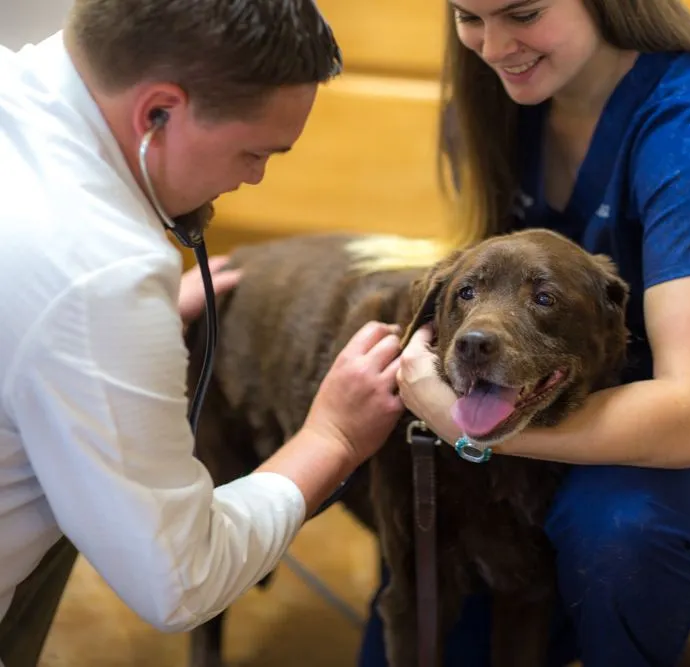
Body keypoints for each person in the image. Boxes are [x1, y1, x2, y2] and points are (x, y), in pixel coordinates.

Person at [360, 0, 690, 665]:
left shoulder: (689, 131)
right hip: (540, 422)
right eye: (469, 16)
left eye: (523, 13)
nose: (495, 44)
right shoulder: (504, 98)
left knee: (614, 528)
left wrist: (460, 423)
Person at [0, 1, 406, 665]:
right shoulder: (103, 277)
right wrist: (329, 437)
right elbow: (179, 579)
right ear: (158, 111)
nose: (254, 176)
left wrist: (103, 336)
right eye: (253, 151)